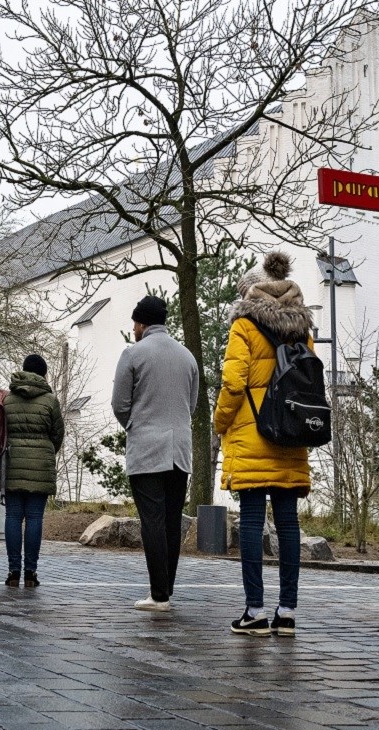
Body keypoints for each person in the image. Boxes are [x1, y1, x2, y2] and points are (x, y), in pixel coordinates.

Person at [213, 252, 312, 637]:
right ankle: (286, 611)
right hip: (290, 435)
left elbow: (233, 383)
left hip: (253, 435)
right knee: (288, 522)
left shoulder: (243, 327)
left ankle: (254, 610)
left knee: (252, 522)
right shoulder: (301, 329)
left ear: (250, 294)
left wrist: (220, 422)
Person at [111, 295, 199, 611]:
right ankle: (167, 590)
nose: (133, 328)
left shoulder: (133, 354)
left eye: (134, 322)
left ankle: (158, 594)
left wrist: (136, 424)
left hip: (147, 449)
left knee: (152, 520)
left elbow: (119, 404)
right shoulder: (188, 357)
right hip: (180, 449)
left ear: (141, 323)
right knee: (172, 520)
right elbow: (191, 405)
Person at [2, 354, 65, 587]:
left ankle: (13, 571)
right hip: (40, 465)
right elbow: (58, 434)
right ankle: (30, 572)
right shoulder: (50, 401)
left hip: (13, 463)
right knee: (35, 518)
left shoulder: (8, 400)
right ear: (43, 374)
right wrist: (46, 451)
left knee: (13, 516)